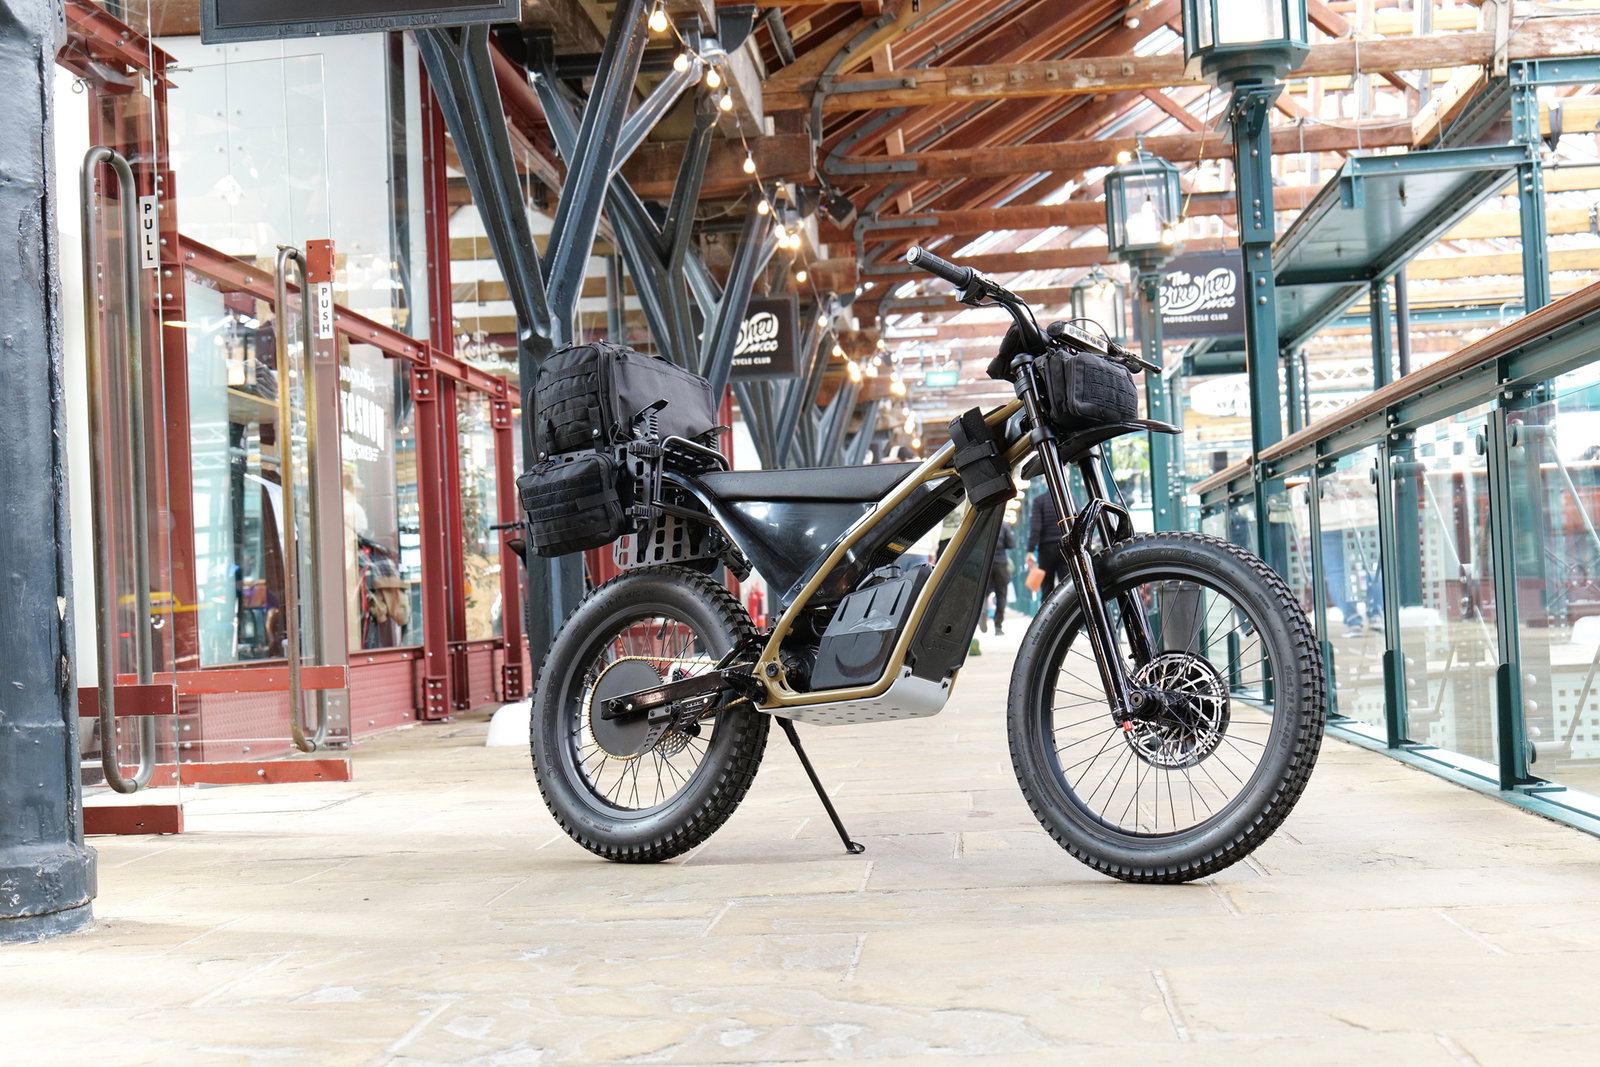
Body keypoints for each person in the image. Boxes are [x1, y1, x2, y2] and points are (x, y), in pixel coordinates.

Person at [1026, 490, 1070, 598]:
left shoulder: (1039, 500)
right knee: (1067, 586)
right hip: (1065, 546)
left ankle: (1048, 613)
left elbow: (1036, 528)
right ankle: (1067, 613)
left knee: (1047, 588)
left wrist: (1030, 550)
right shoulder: (1069, 498)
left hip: (1046, 550)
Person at [984, 520, 1016, 634]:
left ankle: (982, 611)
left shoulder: (984, 523)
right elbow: (1012, 544)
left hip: (985, 563)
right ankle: (998, 626)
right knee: (1001, 594)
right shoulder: (1004, 525)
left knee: (983, 592)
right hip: (1000, 562)